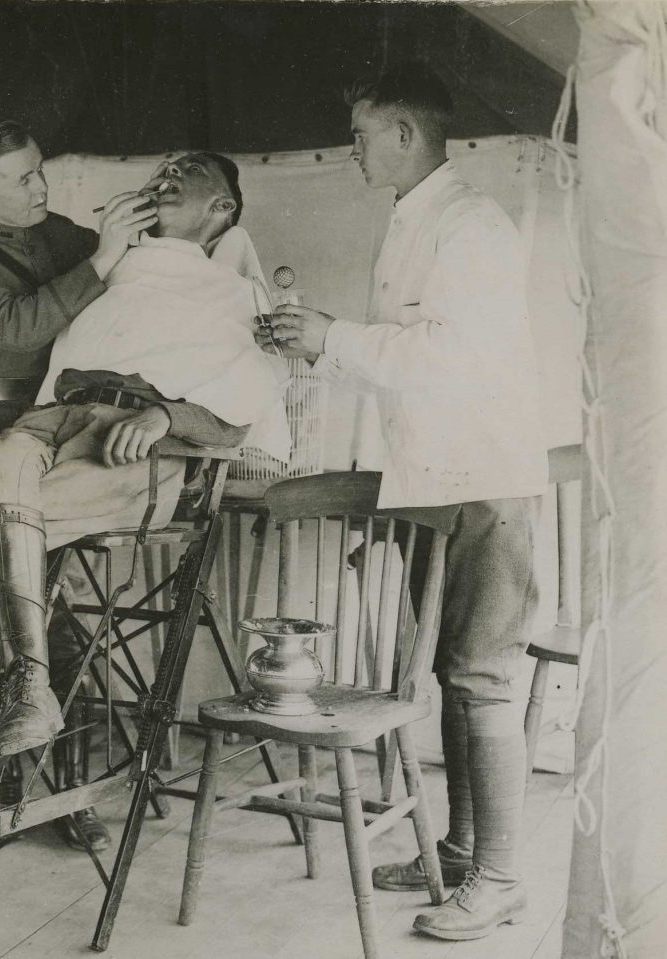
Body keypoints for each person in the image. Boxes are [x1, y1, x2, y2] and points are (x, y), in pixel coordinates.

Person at [0, 152, 290, 803]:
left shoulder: (235, 295)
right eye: (161, 170)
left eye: (189, 172)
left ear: (222, 209)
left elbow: (238, 420)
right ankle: (31, 687)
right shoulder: (111, 277)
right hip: (60, 422)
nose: (165, 175)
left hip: (137, 454)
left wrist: (162, 416)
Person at [262, 61, 548, 941]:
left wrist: (332, 338)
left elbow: (452, 358)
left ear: (403, 134)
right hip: (434, 480)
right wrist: (325, 347)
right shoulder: (416, 219)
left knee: (482, 675)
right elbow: (411, 352)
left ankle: (498, 876)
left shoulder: (471, 225)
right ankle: (461, 850)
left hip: (484, 480)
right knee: (452, 674)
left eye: (359, 134)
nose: (351, 149)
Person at [0, 120, 156, 851]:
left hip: (63, 436)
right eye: (22, 179)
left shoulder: (68, 237)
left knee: (47, 612)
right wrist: (106, 256)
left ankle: (57, 788)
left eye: (39, 172)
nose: (41, 188)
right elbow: (20, 328)